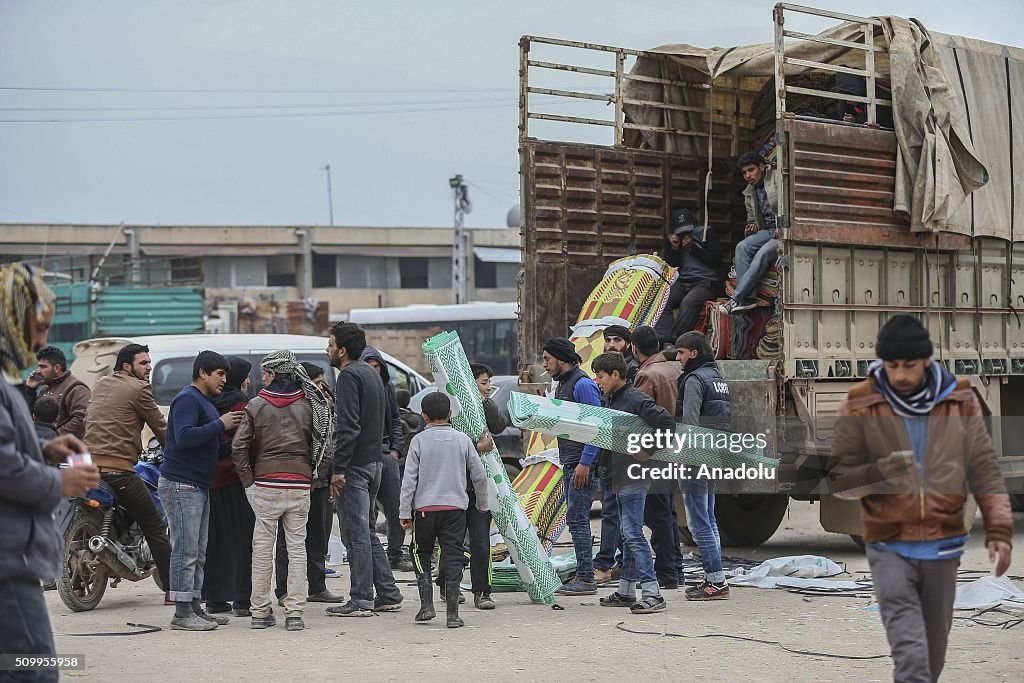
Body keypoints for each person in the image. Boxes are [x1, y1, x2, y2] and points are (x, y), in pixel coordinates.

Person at [829, 315, 1013, 682]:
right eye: (892, 365)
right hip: (889, 546)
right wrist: (880, 472)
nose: (899, 374)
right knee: (911, 659)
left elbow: (984, 468)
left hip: (943, 547)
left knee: (932, 656)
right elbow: (837, 479)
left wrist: (1000, 528)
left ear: (927, 361)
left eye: (909, 365)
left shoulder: (960, 397)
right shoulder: (860, 402)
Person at [1, 263, 100, 682]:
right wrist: (59, 480)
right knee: (34, 671)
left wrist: (42, 448)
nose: (42, 340)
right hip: (6, 564)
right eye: (37, 327)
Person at [232, 351, 332, 632]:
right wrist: (312, 479)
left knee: (262, 550)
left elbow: (239, 448)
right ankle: (295, 613)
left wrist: (249, 483)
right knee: (297, 549)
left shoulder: (255, 404)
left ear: (275, 374)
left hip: (265, 484)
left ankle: (260, 612)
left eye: (265, 373)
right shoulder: (312, 404)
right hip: (300, 483)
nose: (262, 378)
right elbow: (325, 448)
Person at [158, 350, 242, 631]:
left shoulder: (204, 402)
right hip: (182, 485)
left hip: (198, 486)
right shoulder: (187, 399)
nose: (224, 380)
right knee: (186, 549)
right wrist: (221, 424)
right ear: (203, 373)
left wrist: (237, 444)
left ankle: (194, 606)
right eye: (220, 374)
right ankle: (182, 613)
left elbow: (209, 446)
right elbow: (184, 437)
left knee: (198, 550)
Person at [326, 322, 404, 617]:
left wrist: (338, 468)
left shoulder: (347, 376)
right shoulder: (372, 374)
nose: (328, 349)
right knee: (367, 532)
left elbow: (347, 428)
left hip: (355, 466)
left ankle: (360, 599)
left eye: (331, 345)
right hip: (374, 462)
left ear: (343, 350)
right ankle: (388, 592)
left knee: (355, 534)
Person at [85, 342, 172, 600]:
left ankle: (81, 583)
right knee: (154, 525)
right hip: (118, 470)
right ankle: (173, 591)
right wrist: (177, 453)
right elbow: (161, 427)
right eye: (143, 363)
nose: (149, 367)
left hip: (89, 467)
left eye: (149, 362)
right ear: (127, 366)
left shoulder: (101, 383)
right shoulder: (139, 389)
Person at [591, 352, 675, 614]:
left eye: (601, 376)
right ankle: (626, 591)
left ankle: (653, 593)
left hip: (633, 476)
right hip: (617, 476)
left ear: (616, 375)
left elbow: (666, 423)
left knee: (633, 534)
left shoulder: (635, 398)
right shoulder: (613, 399)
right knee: (627, 536)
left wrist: (647, 451)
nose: (597, 381)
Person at [400, 392, 492, 628]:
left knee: (421, 554)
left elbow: (409, 480)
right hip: (455, 510)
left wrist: (403, 512)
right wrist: (482, 504)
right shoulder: (462, 440)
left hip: (424, 511)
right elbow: (479, 477)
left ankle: (427, 606)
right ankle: (453, 613)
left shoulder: (418, 441)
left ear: (424, 416)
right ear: (450, 414)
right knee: (453, 555)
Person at [274, 361, 342, 607]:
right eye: (317, 382)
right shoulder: (296, 408)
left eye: (323, 383)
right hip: (296, 481)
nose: (321, 388)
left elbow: (329, 447)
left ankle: (317, 586)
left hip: (319, 483)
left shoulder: (324, 409)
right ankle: (283, 589)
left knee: (318, 535)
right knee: (288, 538)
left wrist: (329, 477)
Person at [543, 337, 603, 596]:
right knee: (576, 520)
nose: (545, 364)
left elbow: (595, 427)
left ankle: (587, 579)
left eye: (548, 359)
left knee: (578, 521)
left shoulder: (582, 385)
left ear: (562, 359)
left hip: (582, 466)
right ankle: (583, 574)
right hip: (571, 463)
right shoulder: (563, 385)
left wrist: (585, 463)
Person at [674, 331, 731, 600]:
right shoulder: (717, 378)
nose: (678, 358)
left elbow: (690, 424)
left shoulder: (695, 379)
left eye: (681, 353)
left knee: (699, 523)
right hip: (715, 454)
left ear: (693, 353)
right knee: (709, 518)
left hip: (697, 458)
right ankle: (715, 578)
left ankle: (717, 582)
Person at [631, 326, 683, 590]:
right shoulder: (672, 370)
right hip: (673, 449)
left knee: (656, 515)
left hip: (654, 451)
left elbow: (642, 419)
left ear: (634, 348)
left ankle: (666, 574)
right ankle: (676, 570)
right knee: (668, 513)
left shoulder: (647, 375)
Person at [204, 355, 256, 617]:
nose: (249, 380)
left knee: (215, 541)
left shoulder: (208, 401)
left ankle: (214, 599)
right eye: (246, 375)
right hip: (236, 481)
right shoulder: (241, 404)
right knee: (243, 540)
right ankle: (242, 600)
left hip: (210, 481)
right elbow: (244, 443)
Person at [361, 346, 412, 573]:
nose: (373, 371)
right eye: (368, 367)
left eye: (376, 367)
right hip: (362, 454)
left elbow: (394, 418)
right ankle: (370, 556)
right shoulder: (354, 387)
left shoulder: (386, 387)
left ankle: (395, 553)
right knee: (366, 511)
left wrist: (396, 449)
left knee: (396, 507)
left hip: (385, 451)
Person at [720, 152, 781, 315]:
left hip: (783, 231)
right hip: (767, 231)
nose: (748, 175)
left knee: (763, 253)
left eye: (751, 170)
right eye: (744, 172)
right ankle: (748, 299)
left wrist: (783, 226)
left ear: (761, 167)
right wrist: (751, 227)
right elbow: (753, 219)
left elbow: (789, 203)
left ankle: (736, 298)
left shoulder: (777, 179)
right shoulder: (749, 191)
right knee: (742, 246)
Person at [655, 208, 721, 346]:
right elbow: (672, 266)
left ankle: (677, 343)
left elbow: (716, 259)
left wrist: (693, 248)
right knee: (662, 298)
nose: (685, 234)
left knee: (688, 302)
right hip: (683, 281)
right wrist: (674, 248)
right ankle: (666, 340)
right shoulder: (674, 239)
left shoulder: (705, 233)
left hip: (705, 283)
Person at [21, 345, 91, 439]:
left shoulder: (77, 389)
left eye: (43, 367)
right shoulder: (44, 389)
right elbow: (28, 417)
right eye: (39, 367)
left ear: (57, 368)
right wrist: (30, 389)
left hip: (65, 450)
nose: (39, 371)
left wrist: (53, 437)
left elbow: (82, 419)